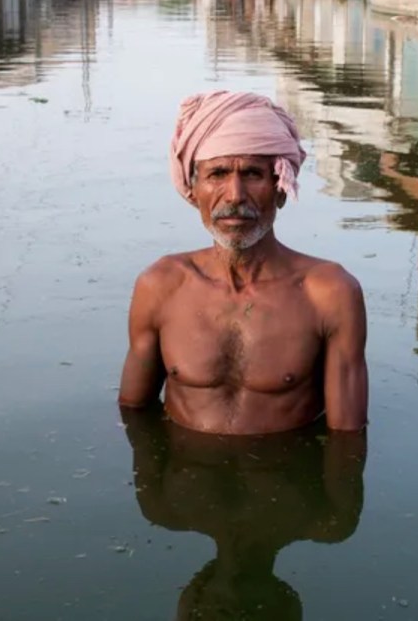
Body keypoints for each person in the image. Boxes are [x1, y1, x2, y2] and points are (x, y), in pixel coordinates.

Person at [118, 91, 368, 435]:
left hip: (284, 477)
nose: (234, 195)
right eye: (217, 174)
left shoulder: (329, 293)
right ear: (194, 189)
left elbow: (348, 440)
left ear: (281, 188)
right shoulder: (160, 286)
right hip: (186, 483)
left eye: (252, 174)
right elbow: (134, 416)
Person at [120, 407, 366, 619]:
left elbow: (347, 430)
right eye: (246, 613)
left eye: (221, 612)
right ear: (283, 602)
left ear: (195, 595)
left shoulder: (162, 505)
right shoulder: (329, 519)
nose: (234, 591)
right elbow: (133, 410)